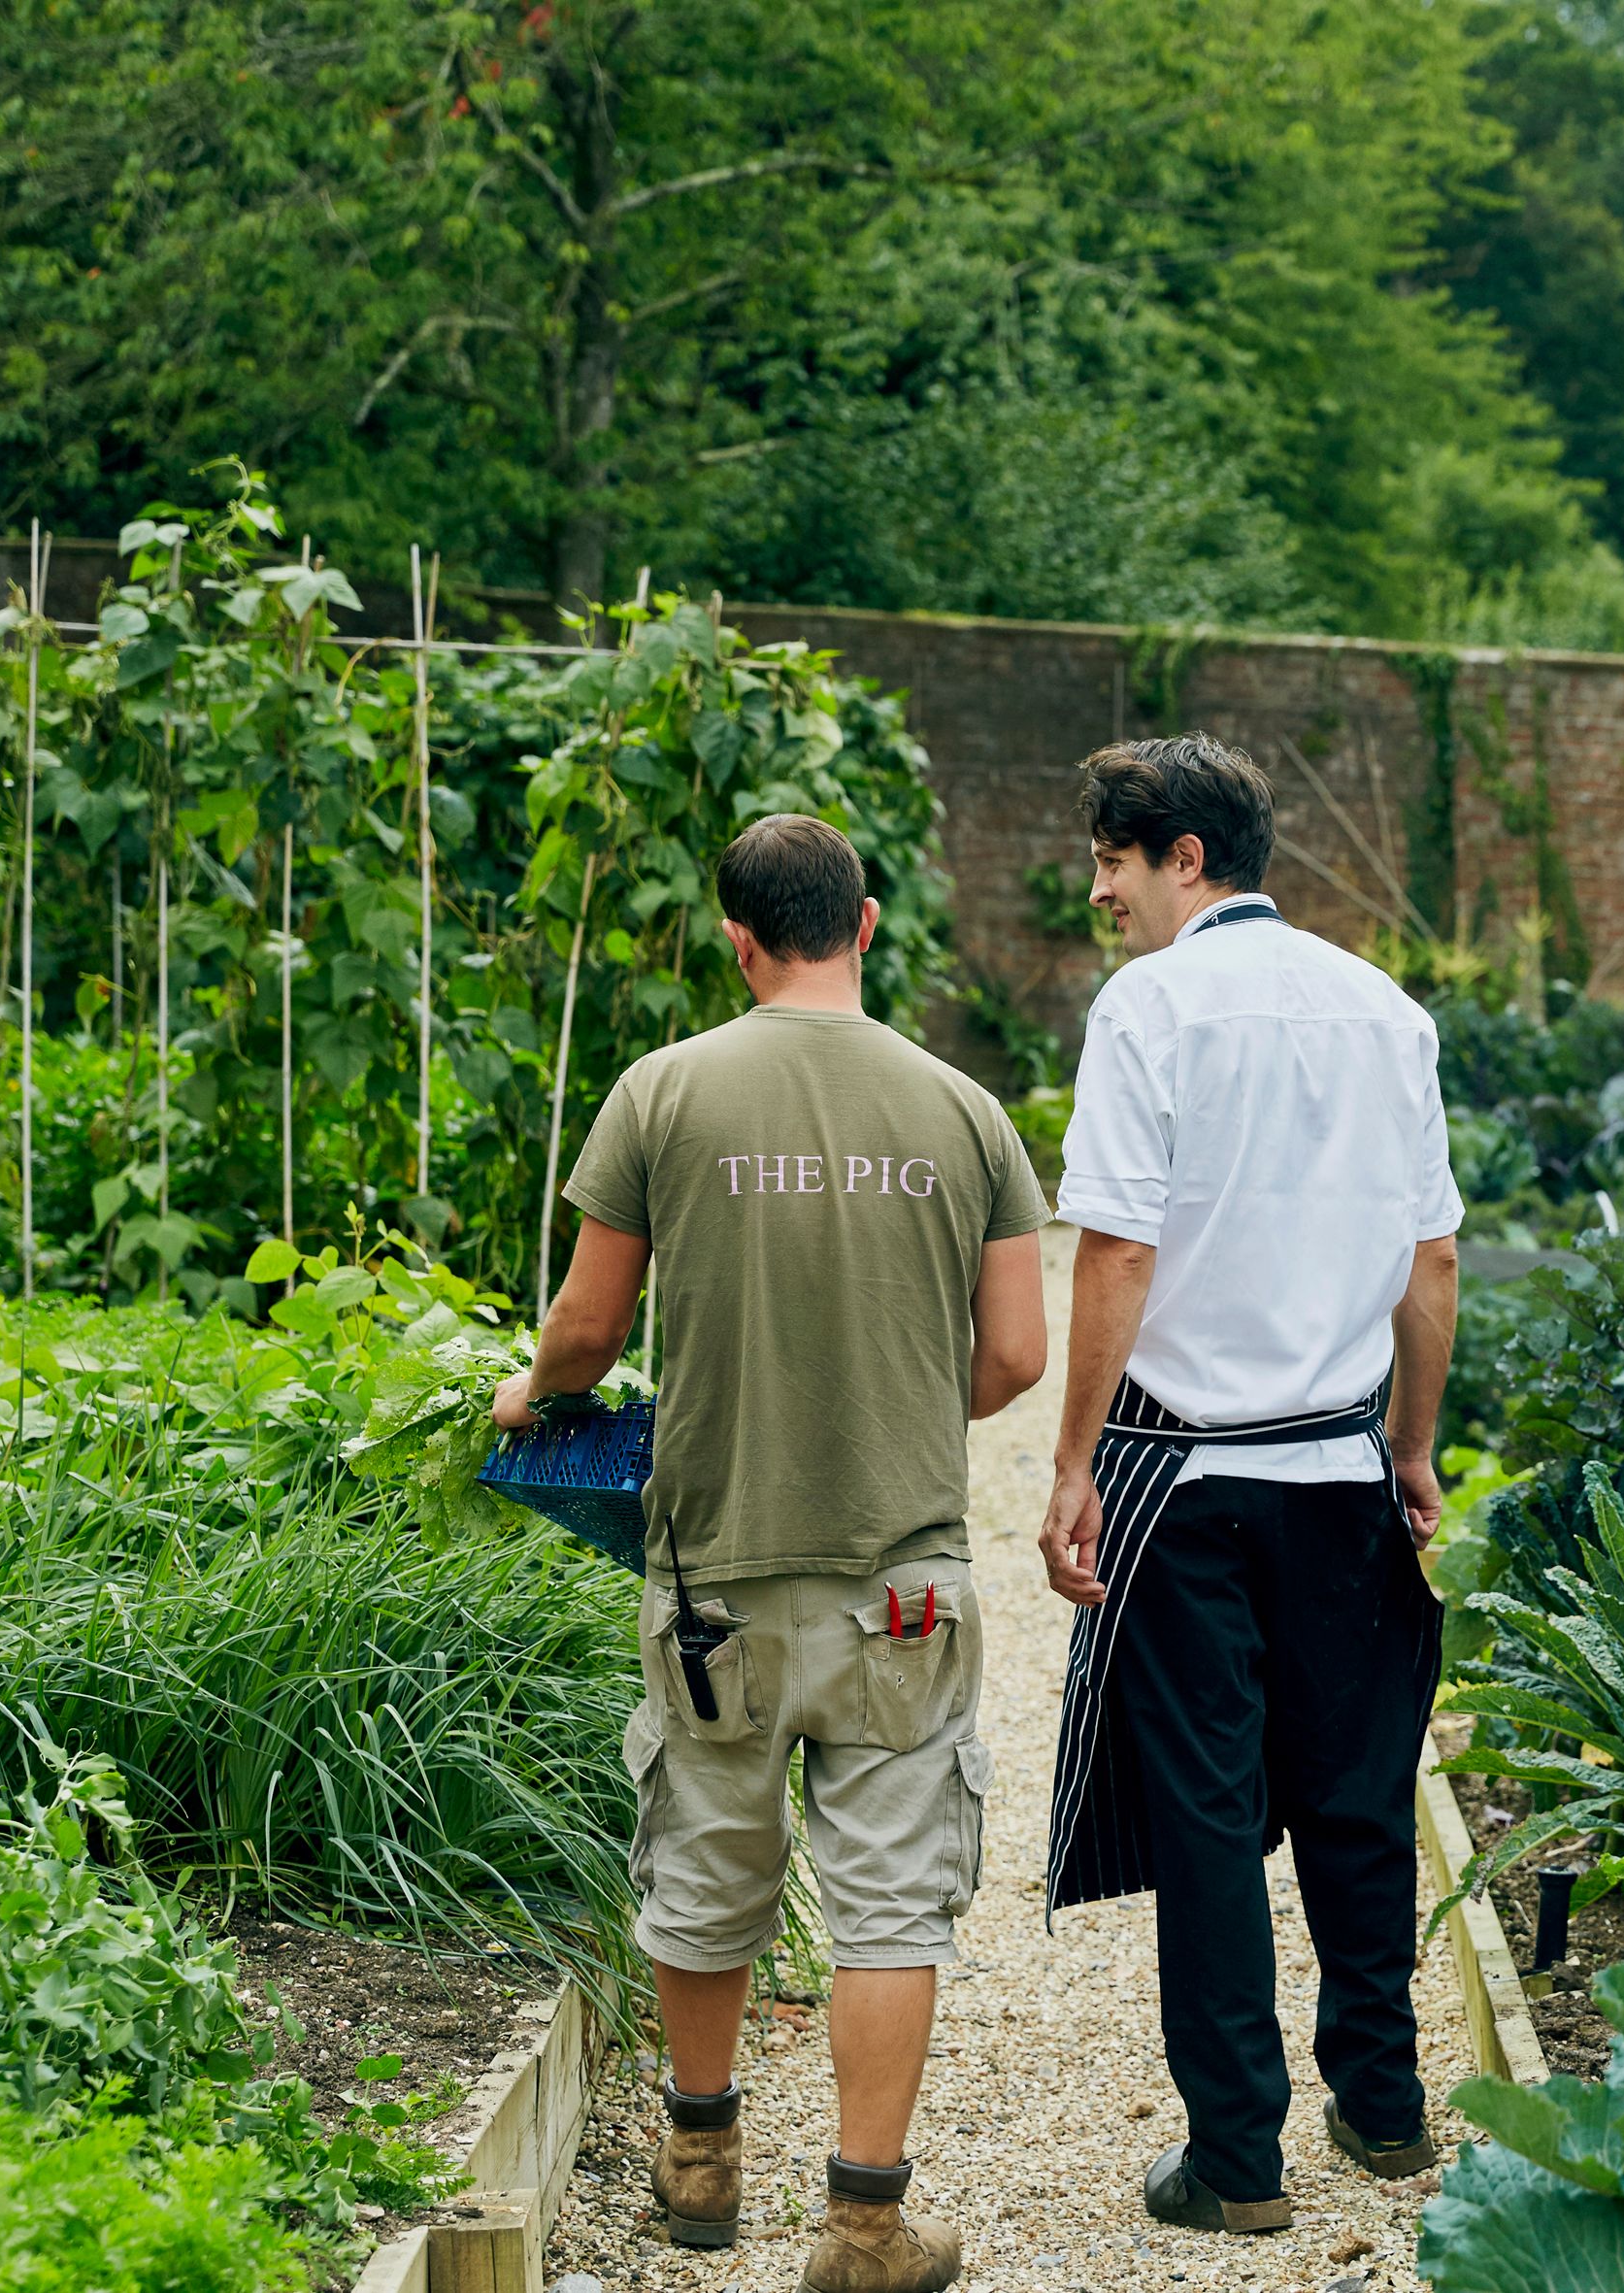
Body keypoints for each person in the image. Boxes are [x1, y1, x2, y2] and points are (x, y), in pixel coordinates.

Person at [493, 814, 1048, 2293]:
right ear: (864, 924)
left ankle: (700, 2161)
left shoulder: (661, 1094)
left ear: (736, 939)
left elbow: (592, 1328)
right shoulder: (966, 1112)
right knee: (885, 1898)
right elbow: (1012, 1355)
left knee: (703, 1859)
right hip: (905, 1584)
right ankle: (864, 2227)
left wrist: (531, 1393)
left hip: (712, 1581)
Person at [1037, 732, 1462, 2238]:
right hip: (1341, 1470)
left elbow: (1121, 1251)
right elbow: (1430, 1263)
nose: (1102, 893)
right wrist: (1410, 1446)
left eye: (1113, 863)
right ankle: (1390, 2107)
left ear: (1184, 860)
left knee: (1209, 1818)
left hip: (1187, 1479)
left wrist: (1074, 1459)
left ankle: (1238, 2156)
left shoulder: (1148, 1005)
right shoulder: (1384, 1008)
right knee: (1358, 1799)